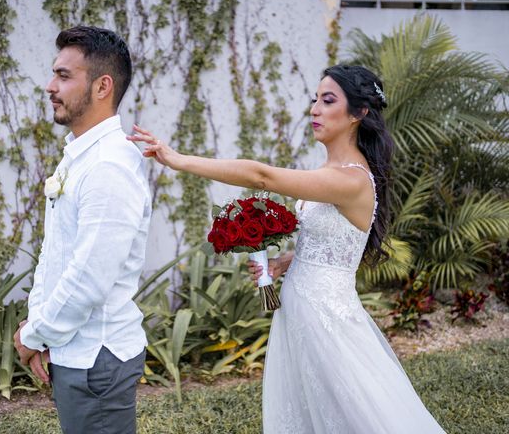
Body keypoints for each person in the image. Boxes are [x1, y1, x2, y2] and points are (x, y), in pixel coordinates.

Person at [127, 65, 446, 433]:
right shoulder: (335, 171)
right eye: (314, 100)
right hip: (300, 312)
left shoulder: (350, 179)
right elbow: (339, 245)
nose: (314, 109)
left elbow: (261, 176)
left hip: (327, 320)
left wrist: (176, 159)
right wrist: (287, 261)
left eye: (328, 101)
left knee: (356, 414)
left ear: (359, 114)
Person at [13, 25, 151, 434]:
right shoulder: (82, 156)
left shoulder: (109, 165)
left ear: (102, 86)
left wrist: (36, 334)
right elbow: (56, 254)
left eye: (63, 75)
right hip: (74, 349)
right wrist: (39, 326)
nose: (49, 86)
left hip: (97, 358)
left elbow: (89, 277)